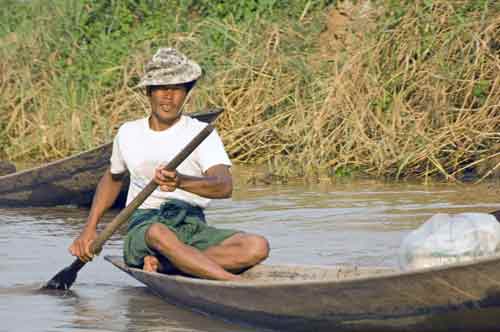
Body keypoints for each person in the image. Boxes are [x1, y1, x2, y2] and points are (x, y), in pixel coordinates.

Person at [69, 48, 269, 281]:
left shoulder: (200, 133)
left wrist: (180, 182)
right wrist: (89, 229)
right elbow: (112, 178)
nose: (168, 96)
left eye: (176, 89)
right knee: (159, 233)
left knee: (257, 246)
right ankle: (232, 282)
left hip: (191, 225)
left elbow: (224, 187)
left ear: (186, 93)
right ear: (149, 92)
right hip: (145, 225)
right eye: (162, 88)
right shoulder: (128, 133)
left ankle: (167, 265)